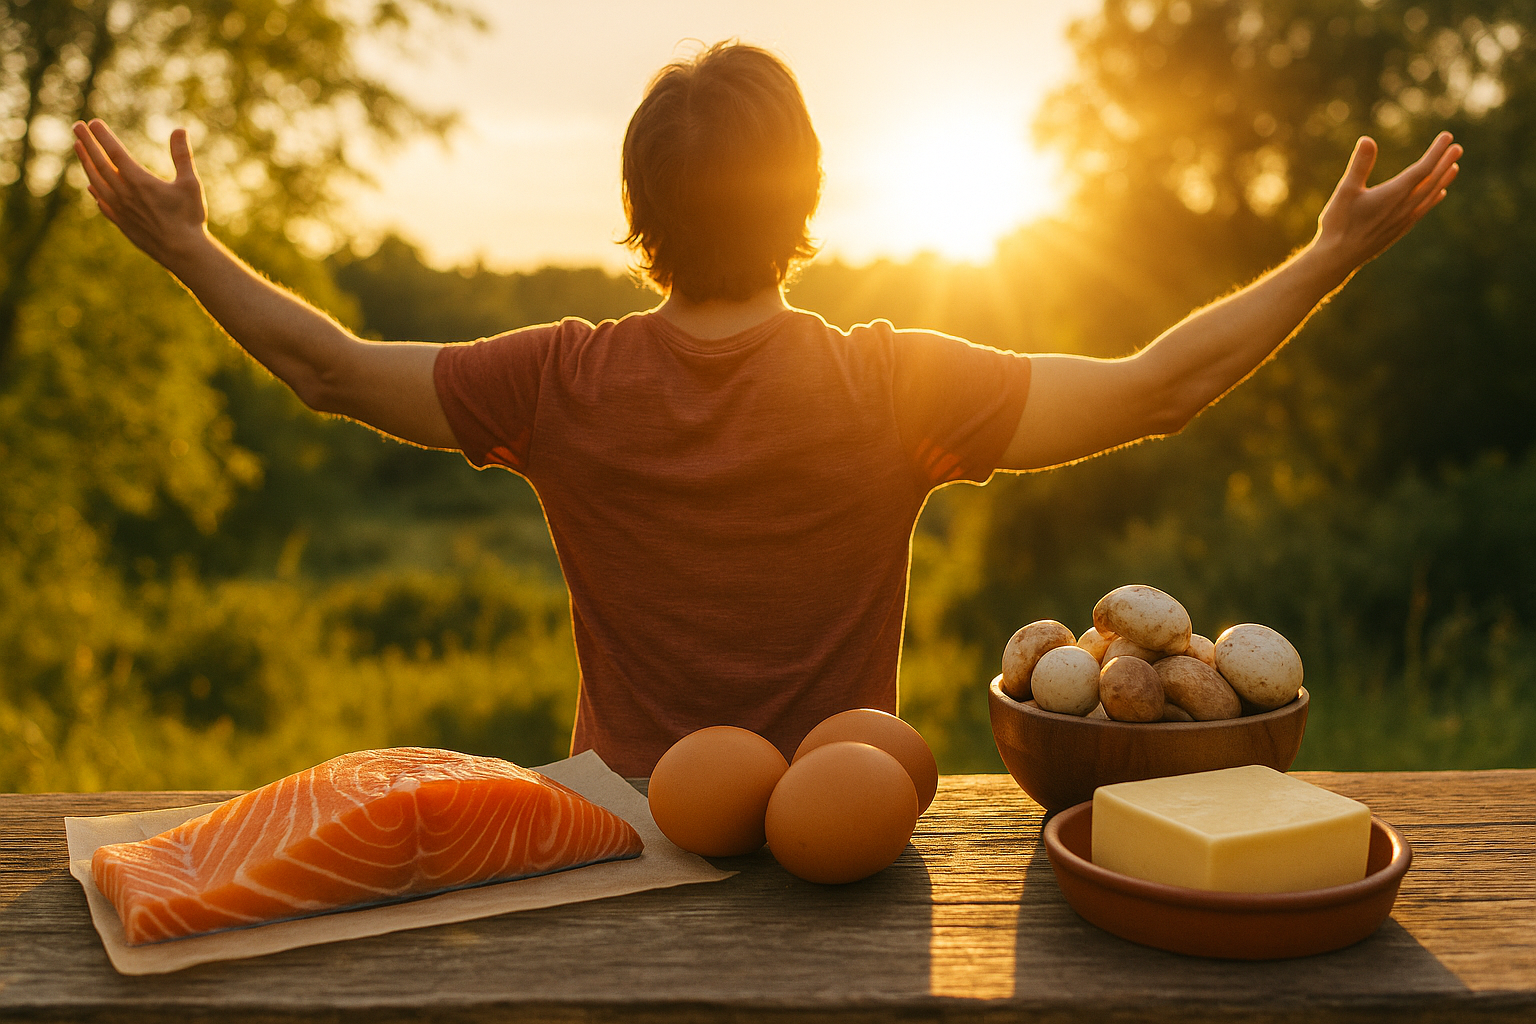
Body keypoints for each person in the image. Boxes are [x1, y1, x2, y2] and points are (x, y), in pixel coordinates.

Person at [71, 42, 1461, 777]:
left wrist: (188, 246)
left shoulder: (557, 381)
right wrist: (1333, 250)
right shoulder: (889, 387)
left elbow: (328, 366)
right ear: (805, 200)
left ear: (636, 214)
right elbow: (1164, 388)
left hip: (617, 851)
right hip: (840, 867)